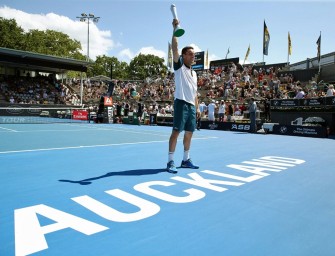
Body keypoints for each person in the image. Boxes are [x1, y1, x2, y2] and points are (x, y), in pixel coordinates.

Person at [166, 18, 200, 174]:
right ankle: (170, 161)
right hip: (181, 103)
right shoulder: (179, 67)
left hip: (192, 106)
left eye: (194, 55)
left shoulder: (194, 73)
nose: (193, 57)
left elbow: (195, 93)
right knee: (175, 133)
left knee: (189, 133)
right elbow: (175, 47)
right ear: (184, 56)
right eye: (191, 54)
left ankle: (186, 159)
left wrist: (198, 108)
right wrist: (175, 29)